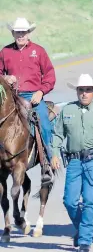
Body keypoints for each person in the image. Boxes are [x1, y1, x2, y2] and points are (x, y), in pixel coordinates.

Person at [51, 74, 93, 252]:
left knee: (89, 201)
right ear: (77, 92)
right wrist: (55, 154)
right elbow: (58, 134)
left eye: (88, 90)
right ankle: (82, 229)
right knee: (69, 201)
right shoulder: (67, 111)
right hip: (73, 161)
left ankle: (84, 241)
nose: (84, 94)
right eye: (81, 90)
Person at [0, 17, 56, 182]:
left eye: (23, 32)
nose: (20, 36)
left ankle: (47, 159)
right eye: (18, 32)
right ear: (13, 33)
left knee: (43, 122)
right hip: (11, 96)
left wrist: (41, 91)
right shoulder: (5, 52)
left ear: (28, 33)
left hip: (33, 97)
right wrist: (5, 78)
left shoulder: (39, 51)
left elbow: (50, 75)